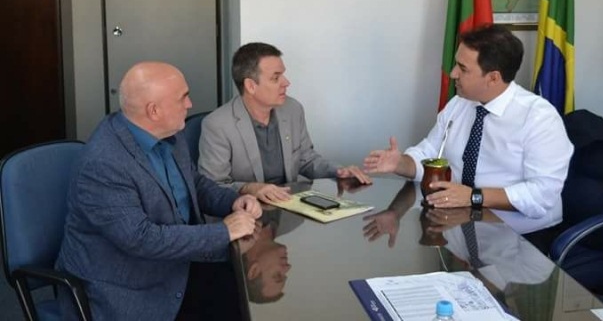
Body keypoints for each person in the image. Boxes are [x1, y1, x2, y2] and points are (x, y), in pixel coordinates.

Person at [56, 62, 262, 321]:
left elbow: (194, 184)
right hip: (132, 288)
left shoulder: (168, 134)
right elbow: (141, 239)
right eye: (183, 98)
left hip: (178, 265)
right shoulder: (103, 164)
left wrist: (233, 201)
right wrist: (224, 231)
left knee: (253, 297)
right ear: (154, 111)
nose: (190, 104)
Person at [364, 24, 573, 252]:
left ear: (493, 78)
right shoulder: (460, 104)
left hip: (524, 238)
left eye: (463, 69)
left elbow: (541, 195)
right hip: (463, 224)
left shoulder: (539, 118)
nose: (453, 73)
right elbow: (430, 154)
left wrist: (474, 197)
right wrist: (400, 163)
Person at [199, 42, 371, 203]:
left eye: (283, 75)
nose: (286, 83)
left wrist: (338, 171)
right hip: (244, 212)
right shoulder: (217, 125)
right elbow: (211, 187)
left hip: (288, 209)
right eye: (276, 78)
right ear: (251, 86)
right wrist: (249, 188)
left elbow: (306, 159)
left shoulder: (293, 109)